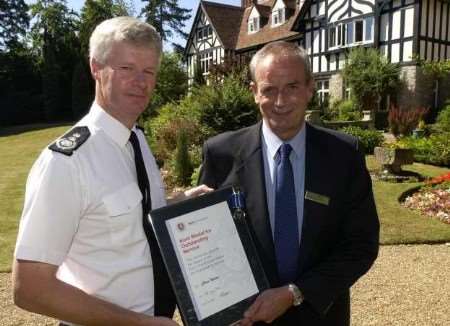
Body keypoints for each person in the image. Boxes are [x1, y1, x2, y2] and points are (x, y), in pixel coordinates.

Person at [13, 16, 210, 326]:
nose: (141, 82)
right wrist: (137, 323)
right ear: (96, 67)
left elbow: (128, 217)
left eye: (149, 72)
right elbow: (30, 288)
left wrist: (179, 201)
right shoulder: (67, 162)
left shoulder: (138, 140)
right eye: (126, 69)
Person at [199, 41, 379, 325]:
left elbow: (361, 244)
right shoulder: (220, 154)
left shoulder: (344, 155)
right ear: (254, 93)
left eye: (292, 87)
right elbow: (206, 243)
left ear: (310, 89)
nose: (281, 101)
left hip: (320, 315)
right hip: (246, 319)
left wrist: (296, 292)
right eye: (269, 89)